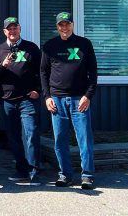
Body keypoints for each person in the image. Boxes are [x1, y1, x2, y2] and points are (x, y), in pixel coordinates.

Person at [40, 12, 98, 190]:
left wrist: (87, 96)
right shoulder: (50, 46)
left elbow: (93, 73)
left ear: (72, 25)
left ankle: (87, 176)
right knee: (60, 141)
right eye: (61, 25)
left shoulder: (84, 44)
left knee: (84, 140)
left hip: (78, 100)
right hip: (57, 101)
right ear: (57, 26)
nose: (64, 28)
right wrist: (47, 97)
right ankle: (65, 174)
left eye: (67, 24)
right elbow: (43, 73)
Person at [0, 17, 42, 184]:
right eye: (9, 29)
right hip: (8, 101)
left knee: (31, 133)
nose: (12, 31)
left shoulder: (31, 48)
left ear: (20, 29)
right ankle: (21, 171)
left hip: (27, 99)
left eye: (15, 28)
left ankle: (34, 171)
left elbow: (42, 71)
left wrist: (38, 90)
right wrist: (3, 65)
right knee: (13, 136)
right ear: (4, 31)